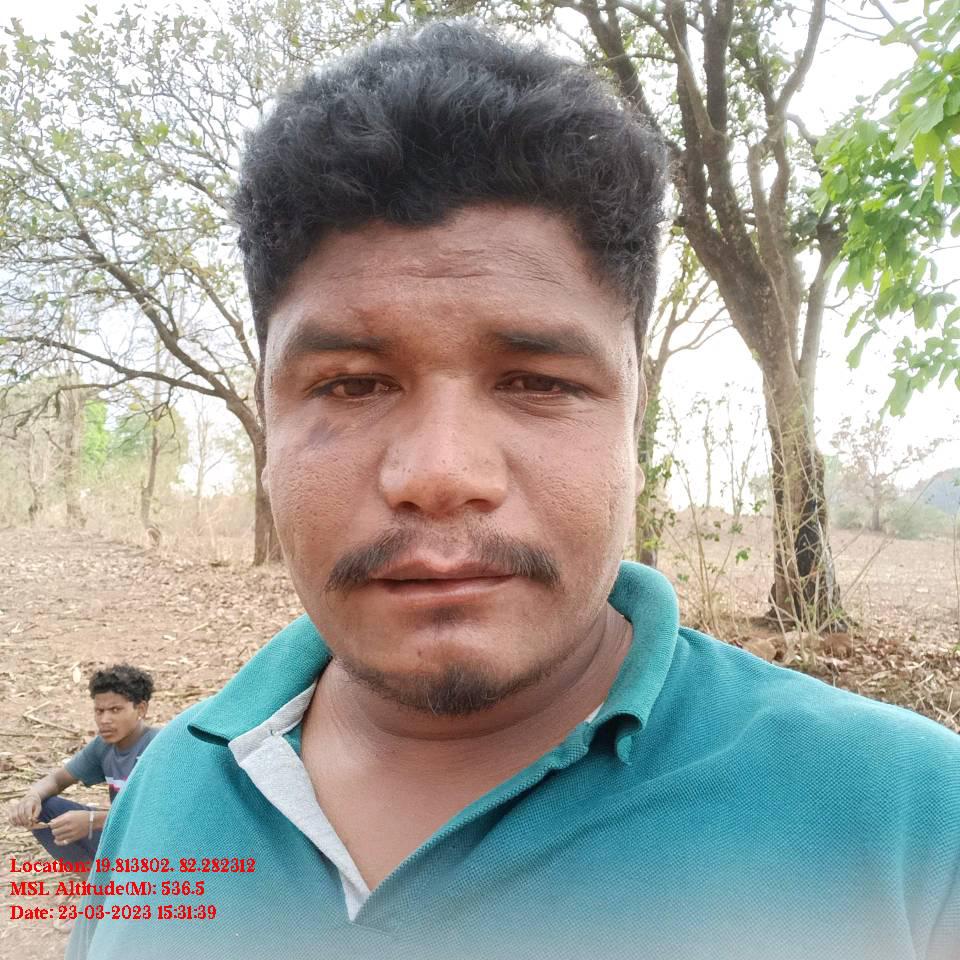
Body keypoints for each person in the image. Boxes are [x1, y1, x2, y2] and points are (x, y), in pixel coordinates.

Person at [67, 21, 959, 960]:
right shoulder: (169, 789)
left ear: (634, 421)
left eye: (538, 382)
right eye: (353, 385)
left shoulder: (913, 829)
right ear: (267, 427)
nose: (441, 475)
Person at [7, 664, 157, 864]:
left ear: (141, 709)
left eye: (115, 710)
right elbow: (57, 779)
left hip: (161, 845)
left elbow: (160, 817)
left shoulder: (159, 747)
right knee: (45, 808)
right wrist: (31, 797)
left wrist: (93, 820)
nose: (105, 720)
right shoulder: (103, 746)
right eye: (99, 711)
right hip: (123, 838)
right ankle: (98, 882)